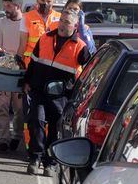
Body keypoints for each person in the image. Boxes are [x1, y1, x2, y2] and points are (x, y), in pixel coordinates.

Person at [23, 9, 90, 176]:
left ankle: (50, 162)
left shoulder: (80, 47)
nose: (62, 25)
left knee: (55, 128)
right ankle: (35, 158)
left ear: (75, 26)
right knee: (36, 122)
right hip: (39, 90)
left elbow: (88, 70)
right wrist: (26, 82)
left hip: (60, 96)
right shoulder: (45, 38)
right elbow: (33, 62)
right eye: (61, 21)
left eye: (67, 22)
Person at [0, 0, 24, 153]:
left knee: (19, 108)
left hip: (21, 70)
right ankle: (3, 139)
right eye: (5, 6)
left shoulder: (26, 23)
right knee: (2, 106)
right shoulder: (1, 22)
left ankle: (17, 137)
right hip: (3, 68)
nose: (6, 9)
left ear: (18, 6)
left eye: (9, 6)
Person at [17, 0, 61, 68]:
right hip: (31, 62)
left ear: (53, 1)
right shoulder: (27, 17)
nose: (45, 4)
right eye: (43, 1)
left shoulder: (60, 18)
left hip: (52, 63)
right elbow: (22, 43)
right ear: (37, 0)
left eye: (49, 1)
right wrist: (19, 61)